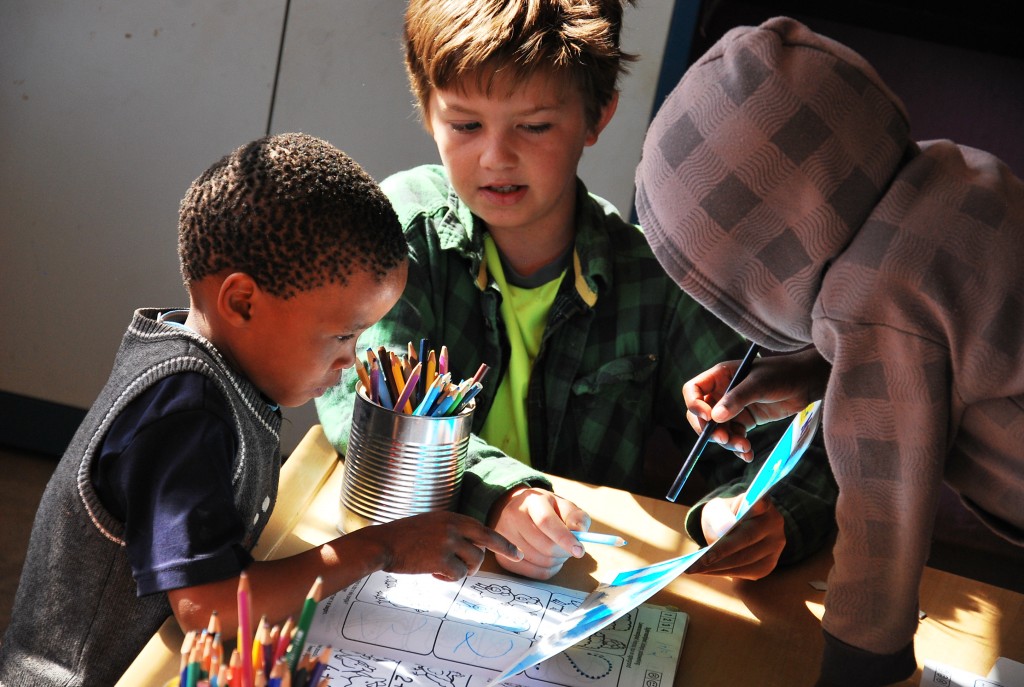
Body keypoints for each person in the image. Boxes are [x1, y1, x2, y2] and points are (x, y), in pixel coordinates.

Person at [316, 0, 837, 582]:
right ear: (427, 111)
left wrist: (747, 517)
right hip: (411, 575)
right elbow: (366, 409)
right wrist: (496, 494)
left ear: (597, 116)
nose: (496, 157)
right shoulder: (404, 234)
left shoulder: (652, 278)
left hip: (573, 593)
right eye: (465, 125)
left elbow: (798, 444)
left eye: (534, 126)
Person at [0, 133, 523, 687]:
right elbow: (210, 608)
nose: (352, 360)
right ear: (243, 302)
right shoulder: (182, 408)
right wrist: (382, 547)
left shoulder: (217, 368)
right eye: (343, 335)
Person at [634, 16, 1024, 687]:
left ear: (757, 263)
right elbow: (945, 347)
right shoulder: (954, 174)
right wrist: (808, 370)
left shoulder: (877, 307)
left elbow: (882, 526)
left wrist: (860, 670)